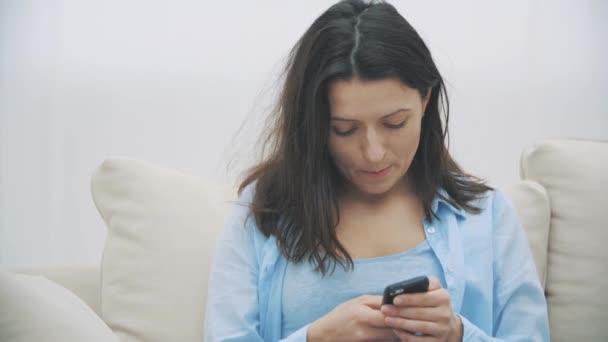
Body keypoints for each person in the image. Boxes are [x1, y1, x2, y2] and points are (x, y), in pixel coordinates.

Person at [204, 0, 550, 341]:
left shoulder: (487, 216)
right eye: (345, 129)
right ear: (313, 123)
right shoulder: (264, 212)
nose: (373, 153)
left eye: (394, 123)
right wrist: (315, 339)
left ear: (425, 101)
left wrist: (459, 335)